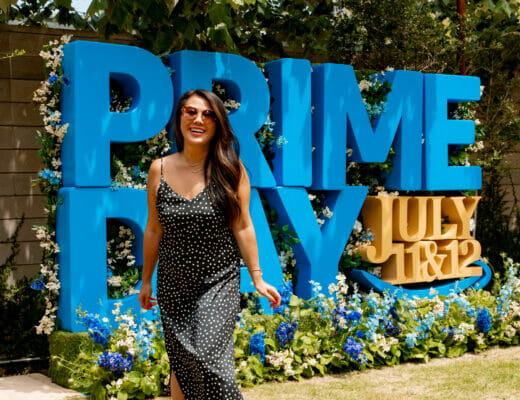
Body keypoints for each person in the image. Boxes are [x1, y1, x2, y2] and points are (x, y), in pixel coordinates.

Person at [138, 89, 282, 399]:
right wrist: (146, 280)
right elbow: (153, 229)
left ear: (218, 124)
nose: (198, 120)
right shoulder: (159, 169)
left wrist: (257, 277)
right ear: (180, 118)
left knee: (207, 357)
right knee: (182, 360)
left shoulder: (231, 170)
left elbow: (243, 225)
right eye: (191, 112)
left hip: (218, 280)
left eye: (208, 115)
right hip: (173, 282)